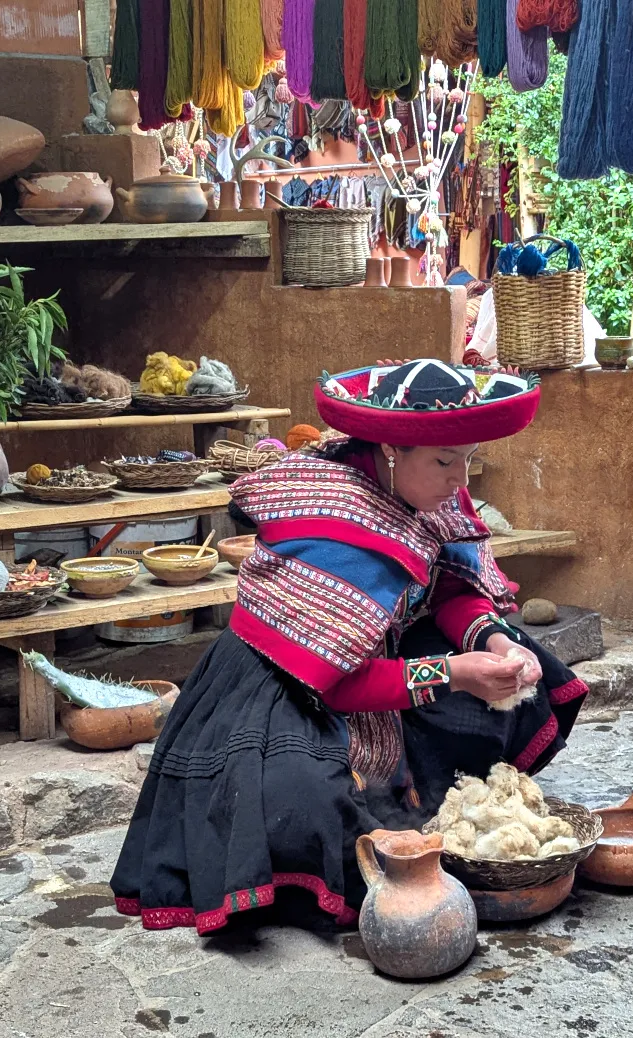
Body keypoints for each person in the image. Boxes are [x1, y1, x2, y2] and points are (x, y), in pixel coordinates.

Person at [111, 359, 588, 934]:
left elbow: (452, 587)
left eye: (469, 458)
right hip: (286, 682)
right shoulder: (335, 517)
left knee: (519, 666)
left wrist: (492, 640)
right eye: (445, 462)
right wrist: (453, 673)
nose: (460, 481)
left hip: (373, 654)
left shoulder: (429, 494)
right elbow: (338, 685)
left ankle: (428, 796)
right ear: (391, 449)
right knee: (304, 799)